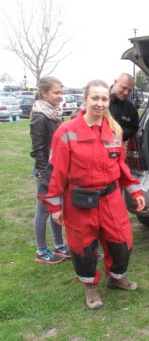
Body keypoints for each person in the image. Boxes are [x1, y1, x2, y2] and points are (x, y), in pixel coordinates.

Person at [38, 79, 146, 310]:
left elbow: (121, 166)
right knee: (83, 248)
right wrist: (55, 207)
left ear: (108, 101)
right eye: (94, 98)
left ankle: (116, 279)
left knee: (122, 242)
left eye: (104, 98)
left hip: (111, 199)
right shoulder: (66, 132)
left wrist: (134, 189)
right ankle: (90, 287)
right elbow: (55, 172)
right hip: (80, 202)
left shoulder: (114, 130)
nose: (99, 103)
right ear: (85, 100)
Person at [29, 76, 69, 264]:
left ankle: (59, 246)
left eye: (61, 92)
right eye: (56, 92)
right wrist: (46, 174)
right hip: (46, 170)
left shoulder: (54, 112)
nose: (60, 96)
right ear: (44, 93)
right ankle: (41, 251)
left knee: (57, 207)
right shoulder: (39, 116)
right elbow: (38, 149)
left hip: (57, 168)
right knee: (44, 210)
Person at [109, 73, 139, 141]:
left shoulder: (131, 108)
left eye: (129, 90)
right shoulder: (100, 100)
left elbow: (134, 128)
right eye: (124, 88)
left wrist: (120, 132)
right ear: (115, 82)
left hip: (116, 147)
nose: (126, 93)